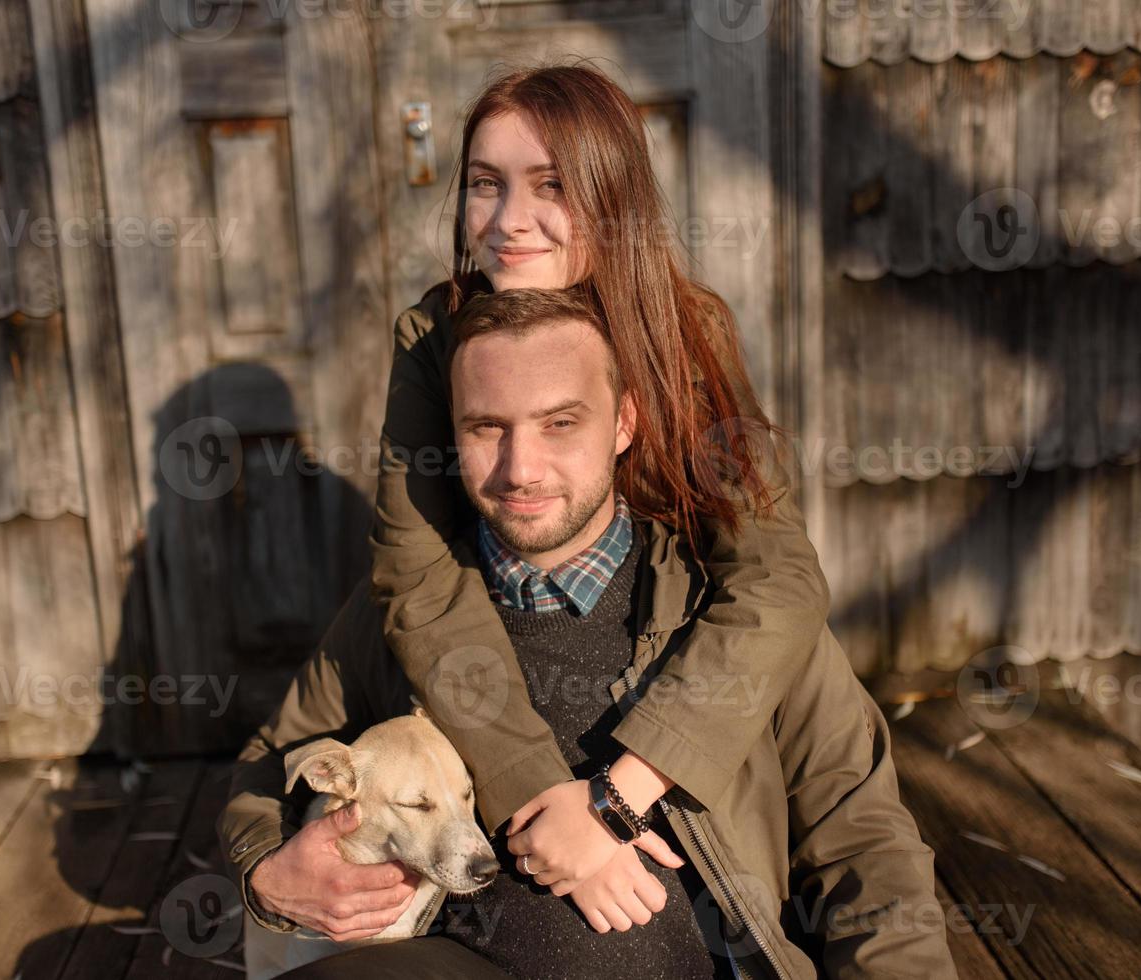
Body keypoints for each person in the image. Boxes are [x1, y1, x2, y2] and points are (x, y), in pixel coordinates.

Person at [217, 286, 958, 979]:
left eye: (560, 422)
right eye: (487, 428)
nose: (520, 468)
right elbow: (267, 765)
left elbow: (865, 841)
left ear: (624, 424)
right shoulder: (406, 614)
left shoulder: (728, 613)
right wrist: (267, 875)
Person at [369, 62, 834, 891]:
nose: (510, 221)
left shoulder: (684, 333)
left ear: (610, 197)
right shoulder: (433, 333)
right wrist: (542, 795)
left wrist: (621, 796)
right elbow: (418, 572)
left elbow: (777, 575)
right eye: (485, 183)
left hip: (662, 646)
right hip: (520, 635)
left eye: (550, 185)